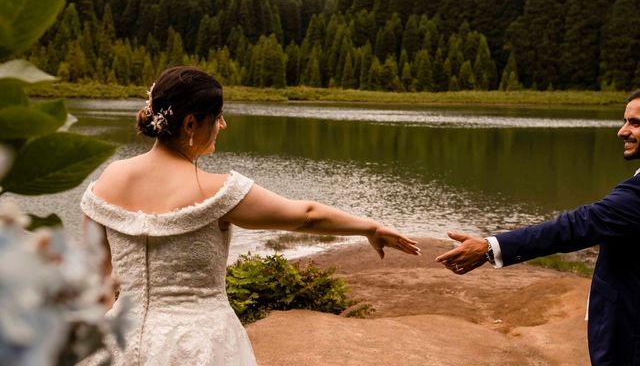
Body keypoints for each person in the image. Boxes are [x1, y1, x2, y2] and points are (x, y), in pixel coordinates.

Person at [79, 66, 420, 366]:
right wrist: (370, 227)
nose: (223, 125)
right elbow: (306, 216)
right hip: (201, 344)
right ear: (190, 123)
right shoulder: (215, 190)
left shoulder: (108, 180)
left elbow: (97, 280)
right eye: (219, 117)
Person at [435, 89, 640, 365]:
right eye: (625, 120)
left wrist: (489, 247)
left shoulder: (635, 197)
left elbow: (574, 226)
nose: (622, 131)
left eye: (635, 123)